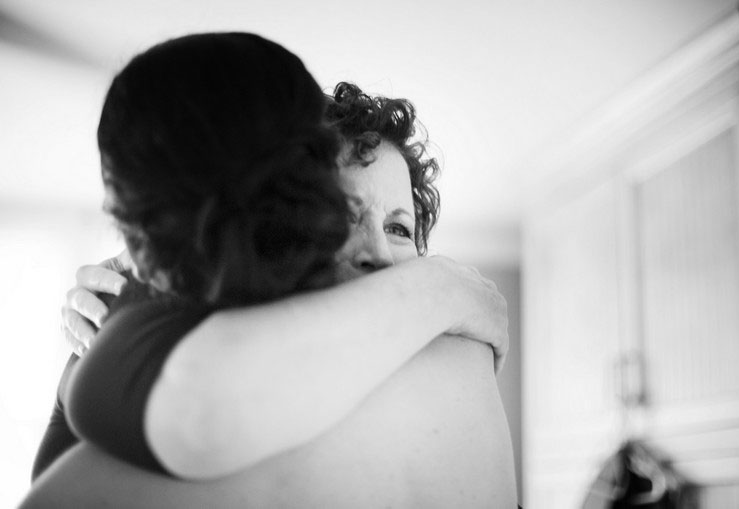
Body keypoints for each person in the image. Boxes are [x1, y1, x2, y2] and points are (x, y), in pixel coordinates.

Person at [24, 37, 516, 507]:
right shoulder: (155, 342)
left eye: (400, 228)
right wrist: (449, 288)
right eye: (341, 215)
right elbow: (201, 407)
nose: (380, 256)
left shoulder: (455, 366)